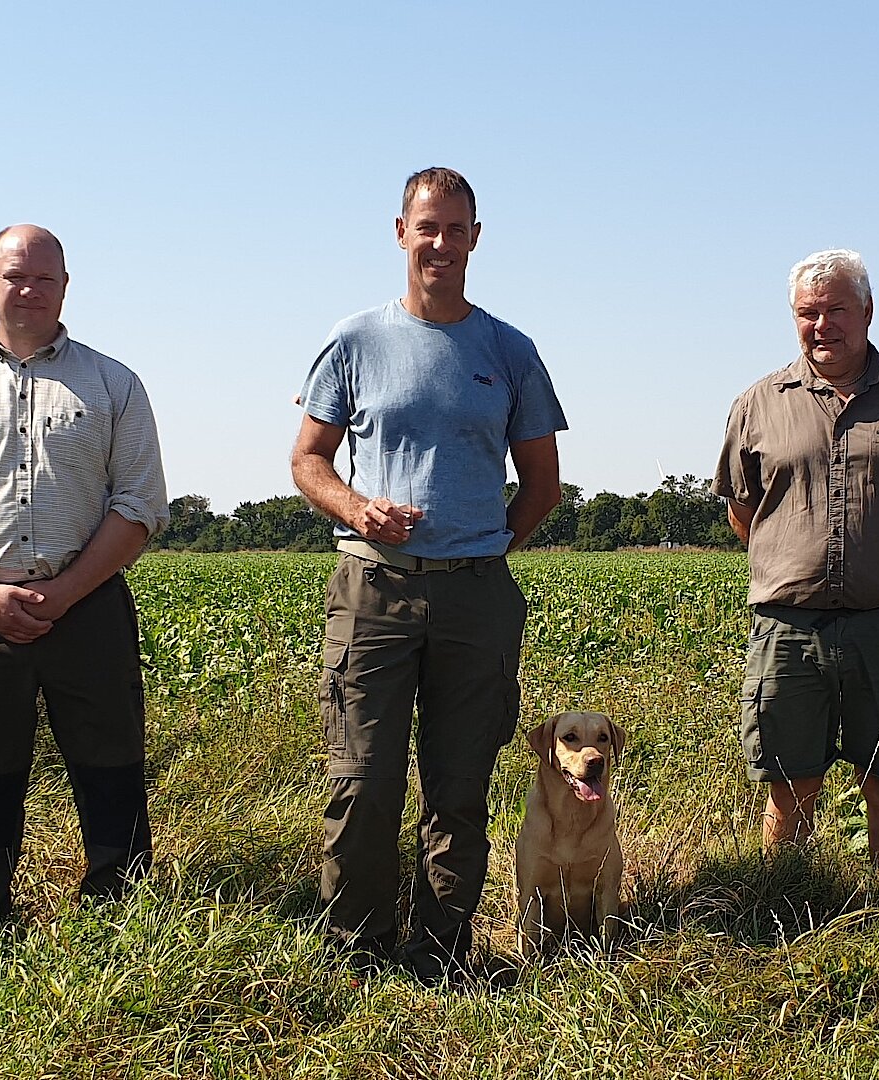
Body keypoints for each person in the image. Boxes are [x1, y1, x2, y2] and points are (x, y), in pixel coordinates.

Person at [290, 167, 567, 981]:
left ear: (475, 238)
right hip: (372, 590)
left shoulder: (509, 351)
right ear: (400, 233)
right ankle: (359, 954)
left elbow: (543, 485)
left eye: (455, 229)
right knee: (362, 783)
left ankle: (440, 954)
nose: (440, 243)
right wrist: (357, 509)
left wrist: (485, 549)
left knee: (459, 789)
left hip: (475, 597)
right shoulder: (354, 341)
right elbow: (308, 460)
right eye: (427, 227)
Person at [0, 225, 168, 931]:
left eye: (44, 278)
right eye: (15, 276)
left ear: (65, 286)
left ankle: (119, 915)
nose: (29, 290)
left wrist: (68, 590)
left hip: (90, 607)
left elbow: (140, 504)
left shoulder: (113, 383)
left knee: (111, 760)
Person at [712, 249, 879, 865]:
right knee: (788, 786)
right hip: (788, 627)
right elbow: (743, 512)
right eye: (808, 313)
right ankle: (788, 901)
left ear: (867, 311)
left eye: (836, 309)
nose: (822, 325)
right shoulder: (758, 403)